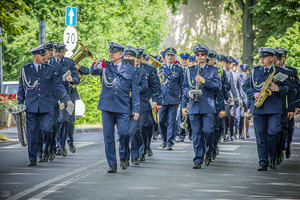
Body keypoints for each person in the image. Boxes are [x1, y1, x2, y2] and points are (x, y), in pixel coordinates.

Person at [90, 42, 140, 173]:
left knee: (124, 133)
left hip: (123, 107)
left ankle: (124, 156)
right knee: (108, 137)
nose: (111, 54)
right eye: (110, 52)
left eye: (114, 52)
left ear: (121, 54)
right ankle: (112, 164)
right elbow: (93, 71)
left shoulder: (130, 69)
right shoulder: (106, 65)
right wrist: (96, 64)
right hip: (107, 107)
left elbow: (134, 91)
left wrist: (136, 109)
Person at [17, 45, 70, 166]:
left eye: (44, 55)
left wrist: (65, 98)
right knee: (32, 133)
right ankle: (33, 158)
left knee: (47, 129)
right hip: (31, 106)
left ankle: (46, 149)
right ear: (35, 56)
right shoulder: (25, 69)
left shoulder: (49, 69)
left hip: (46, 106)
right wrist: (20, 104)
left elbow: (58, 85)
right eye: (42, 55)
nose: (44, 57)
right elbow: (21, 88)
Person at [243, 47, 290, 171]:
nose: (261, 59)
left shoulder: (279, 72)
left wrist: (279, 89)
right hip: (259, 107)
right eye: (260, 57)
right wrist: (253, 93)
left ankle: (272, 156)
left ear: (271, 58)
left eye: (264, 57)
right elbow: (245, 86)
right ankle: (263, 162)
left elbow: (288, 87)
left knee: (274, 132)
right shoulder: (254, 71)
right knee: (260, 136)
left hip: (274, 108)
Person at [182, 44, 221, 168]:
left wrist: (205, 81)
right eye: (197, 55)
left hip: (208, 106)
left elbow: (218, 86)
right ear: (195, 56)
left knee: (208, 131)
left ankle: (209, 151)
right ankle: (198, 159)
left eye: (202, 54)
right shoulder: (190, 70)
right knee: (197, 134)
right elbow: (184, 87)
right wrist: (188, 93)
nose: (199, 57)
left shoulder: (213, 70)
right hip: (194, 106)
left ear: (206, 56)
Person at [53, 43, 80, 156]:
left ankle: (62, 145)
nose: (58, 54)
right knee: (54, 122)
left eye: (60, 51)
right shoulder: (49, 61)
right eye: (56, 51)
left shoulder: (69, 62)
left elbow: (77, 77)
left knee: (65, 120)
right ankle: (54, 145)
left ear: (64, 52)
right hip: (53, 96)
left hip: (65, 96)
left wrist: (72, 79)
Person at [122, 46, 147, 165]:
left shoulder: (141, 72)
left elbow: (145, 87)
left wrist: (134, 89)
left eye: (131, 57)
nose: (129, 59)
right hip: (122, 105)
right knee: (124, 132)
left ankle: (135, 155)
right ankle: (125, 156)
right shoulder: (120, 70)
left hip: (135, 104)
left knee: (134, 131)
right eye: (126, 56)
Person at [137, 48, 162, 161]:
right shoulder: (128, 67)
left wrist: (156, 101)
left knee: (145, 126)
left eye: (139, 57)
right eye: (135, 57)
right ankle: (139, 149)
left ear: (142, 58)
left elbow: (156, 87)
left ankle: (144, 149)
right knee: (135, 128)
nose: (136, 60)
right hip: (131, 102)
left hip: (146, 101)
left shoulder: (150, 69)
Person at [274, 47, 300, 159]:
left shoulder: (291, 71)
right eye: (276, 58)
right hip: (276, 104)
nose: (278, 61)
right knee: (277, 129)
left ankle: (287, 146)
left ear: (284, 58)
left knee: (288, 129)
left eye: (280, 58)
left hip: (288, 104)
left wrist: (297, 106)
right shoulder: (272, 70)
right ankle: (278, 150)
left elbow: (297, 89)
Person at [158, 47, 184, 150]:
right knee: (161, 121)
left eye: (172, 55)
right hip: (162, 99)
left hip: (173, 99)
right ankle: (164, 139)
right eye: (168, 55)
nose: (170, 57)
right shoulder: (160, 69)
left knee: (171, 121)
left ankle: (170, 141)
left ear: (174, 57)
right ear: (165, 57)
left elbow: (182, 85)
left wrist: (182, 100)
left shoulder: (179, 69)